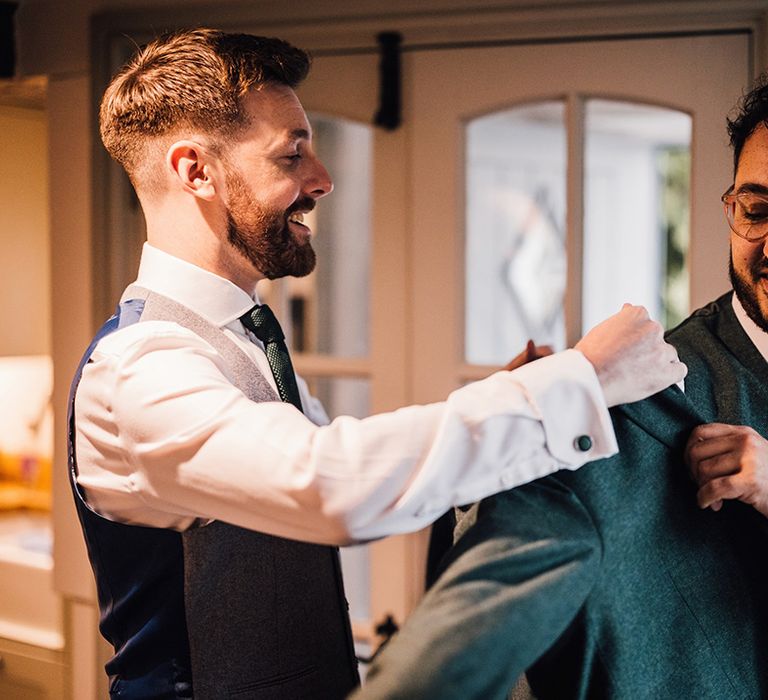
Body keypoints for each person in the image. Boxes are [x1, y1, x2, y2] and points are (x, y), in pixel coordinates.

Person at [68, 28, 685, 699]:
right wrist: (578, 382)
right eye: (291, 156)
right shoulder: (140, 365)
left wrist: (506, 395)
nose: (321, 180)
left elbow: (354, 464)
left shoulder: (246, 336)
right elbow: (333, 486)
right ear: (196, 170)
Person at [354, 75, 768, 700]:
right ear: (729, 205)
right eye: (757, 210)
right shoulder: (641, 407)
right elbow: (481, 610)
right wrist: (513, 433)